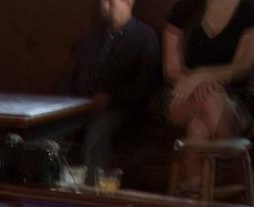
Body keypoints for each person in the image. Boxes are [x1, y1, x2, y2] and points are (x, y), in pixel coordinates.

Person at [65, 0, 160, 179]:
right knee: (52, 127)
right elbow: (73, 75)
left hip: (123, 108)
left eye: (110, 1)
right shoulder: (94, 36)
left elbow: (146, 85)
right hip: (83, 105)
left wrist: (111, 99)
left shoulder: (145, 36)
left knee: (99, 129)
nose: (104, 6)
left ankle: (92, 191)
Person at [163, 0, 254, 184]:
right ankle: (241, 177)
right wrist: (194, 82)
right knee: (209, 99)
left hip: (232, 96)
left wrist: (203, 76)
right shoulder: (184, 8)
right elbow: (171, 69)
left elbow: (242, 67)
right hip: (183, 92)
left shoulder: (249, 10)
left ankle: (195, 200)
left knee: (198, 127)